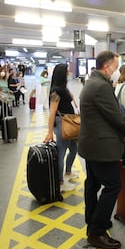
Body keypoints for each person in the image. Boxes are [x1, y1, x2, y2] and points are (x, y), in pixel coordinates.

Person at [79, 51, 125, 249]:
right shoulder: (101, 87)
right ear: (108, 66)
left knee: (93, 184)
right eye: (116, 65)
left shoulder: (91, 82)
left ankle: (94, 221)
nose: (117, 70)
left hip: (91, 145)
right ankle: (96, 232)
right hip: (102, 148)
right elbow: (116, 117)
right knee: (113, 186)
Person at [43, 64, 79, 192]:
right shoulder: (56, 91)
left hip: (70, 122)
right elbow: (52, 112)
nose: (69, 72)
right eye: (67, 71)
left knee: (74, 149)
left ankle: (68, 172)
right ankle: (60, 182)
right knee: (61, 153)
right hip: (62, 123)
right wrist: (49, 132)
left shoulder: (63, 88)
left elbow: (70, 97)